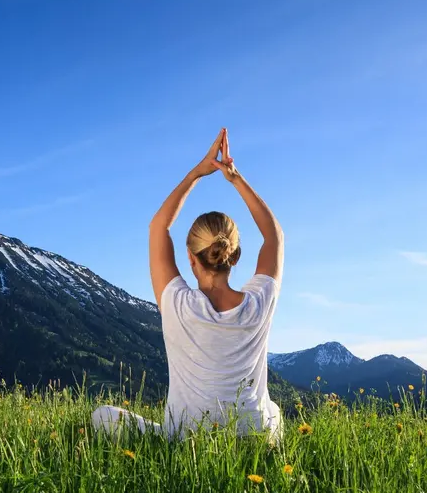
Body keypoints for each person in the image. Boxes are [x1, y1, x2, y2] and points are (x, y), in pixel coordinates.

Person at [92, 128, 285, 442]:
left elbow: (159, 226)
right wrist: (235, 178)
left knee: (103, 417)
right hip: (254, 439)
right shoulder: (259, 302)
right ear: (234, 256)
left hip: (187, 440)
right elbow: (274, 236)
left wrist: (198, 172)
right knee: (272, 410)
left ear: (190, 258)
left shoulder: (176, 303)